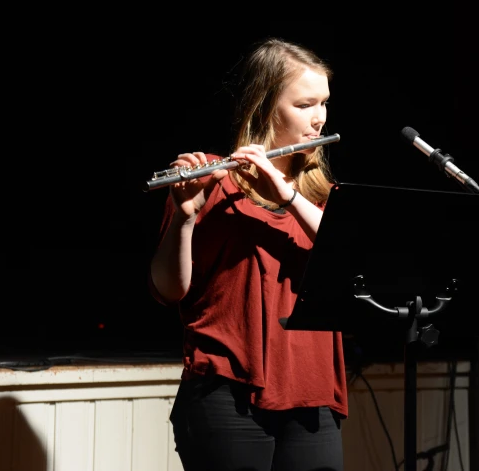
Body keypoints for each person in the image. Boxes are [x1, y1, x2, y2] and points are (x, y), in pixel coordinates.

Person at [148, 36, 347, 471]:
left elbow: (347, 258)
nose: (319, 120)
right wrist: (184, 214)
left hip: (310, 391)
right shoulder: (212, 180)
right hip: (225, 391)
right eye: (304, 105)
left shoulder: (324, 198)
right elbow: (170, 289)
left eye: (324, 104)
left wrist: (290, 195)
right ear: (264, 108)